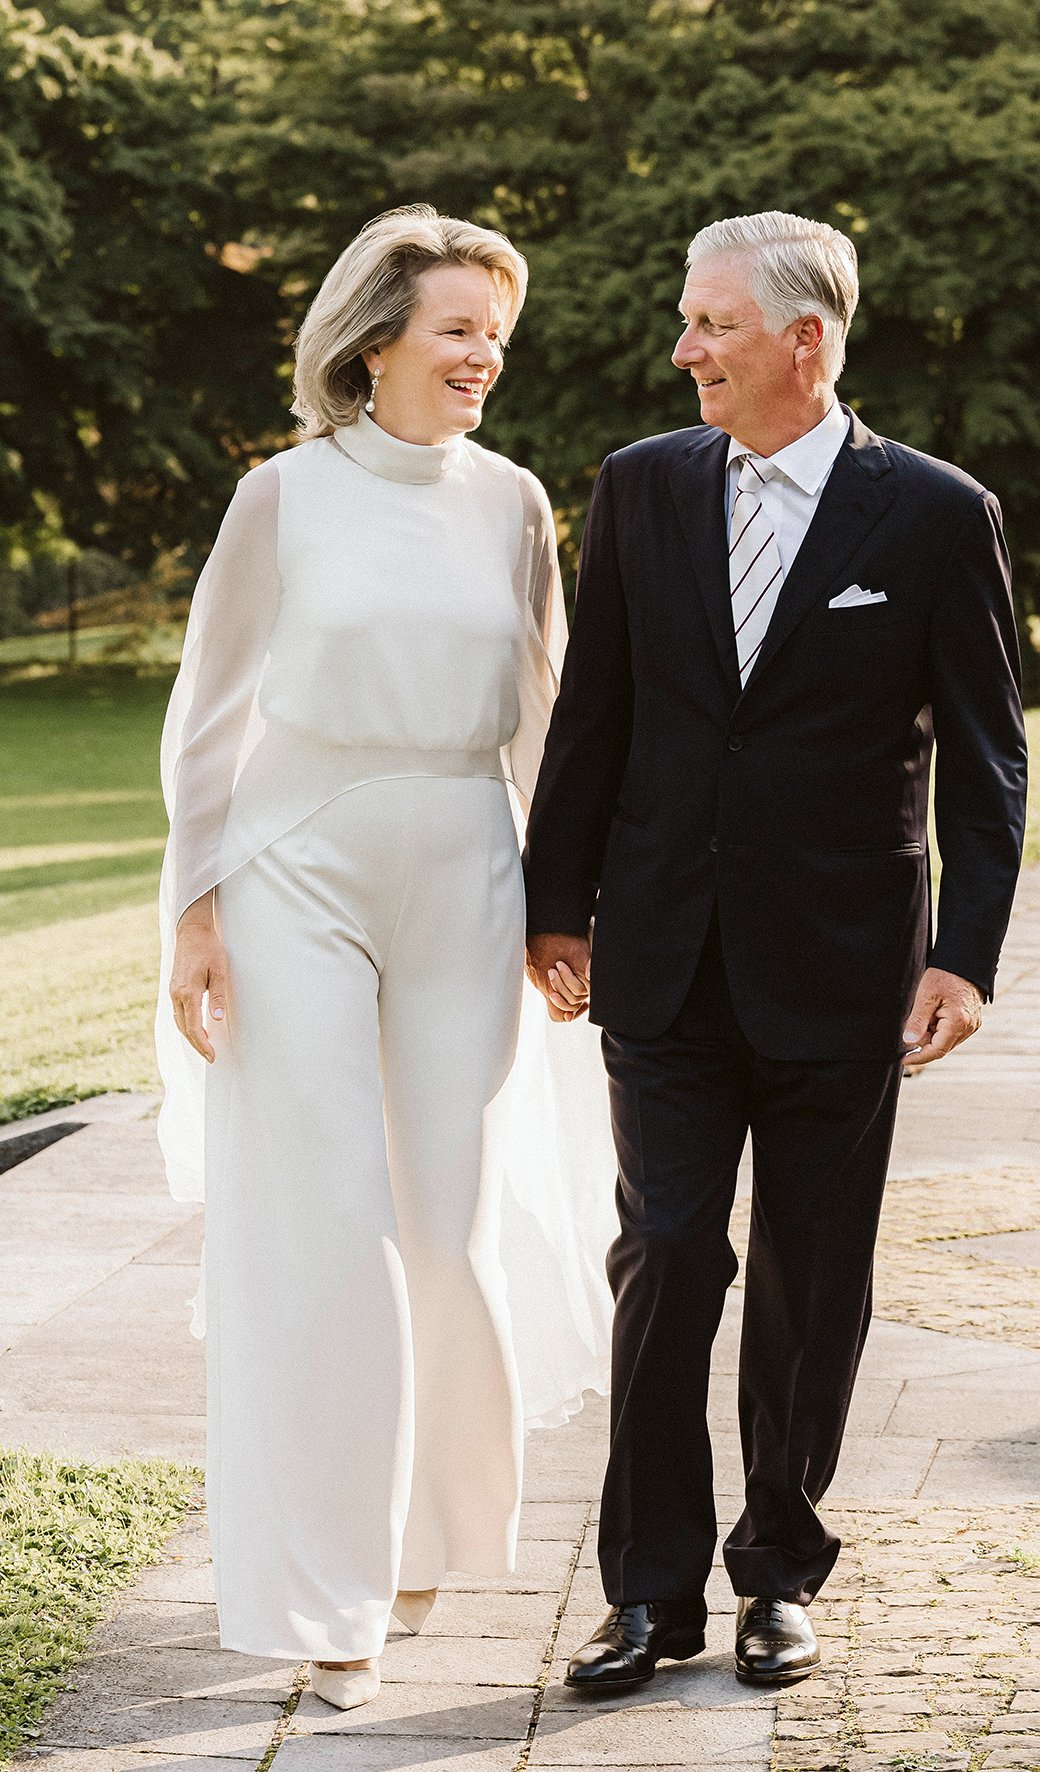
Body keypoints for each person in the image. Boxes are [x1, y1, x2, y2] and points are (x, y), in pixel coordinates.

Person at [523, 211, 1027, 1690]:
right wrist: (556, 905)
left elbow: (988, 760)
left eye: (712, 327)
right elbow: (594, 714)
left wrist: (968, 957)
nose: (683, 351)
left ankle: (776, 1573)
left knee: (813, 1277)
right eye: (687, 324)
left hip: (843, 962)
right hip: (660, 955)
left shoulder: (936, 514)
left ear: (805, 341)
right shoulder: (639, 489)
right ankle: (647, 1592)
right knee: (667, 1252)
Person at [155, 205, 614, 1712]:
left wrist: (565, 905)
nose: (483, 354)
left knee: (446, 1218)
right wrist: (194, 906)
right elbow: (209, 717)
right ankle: (326, 1598)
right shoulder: (281, 501)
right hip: (298, 867)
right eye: (456, 327)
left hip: (466, 871)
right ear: (374, 342)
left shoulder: (510, 503)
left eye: (496, 330)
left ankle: (423, 1534)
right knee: (328, 1218)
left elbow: (548, 720)